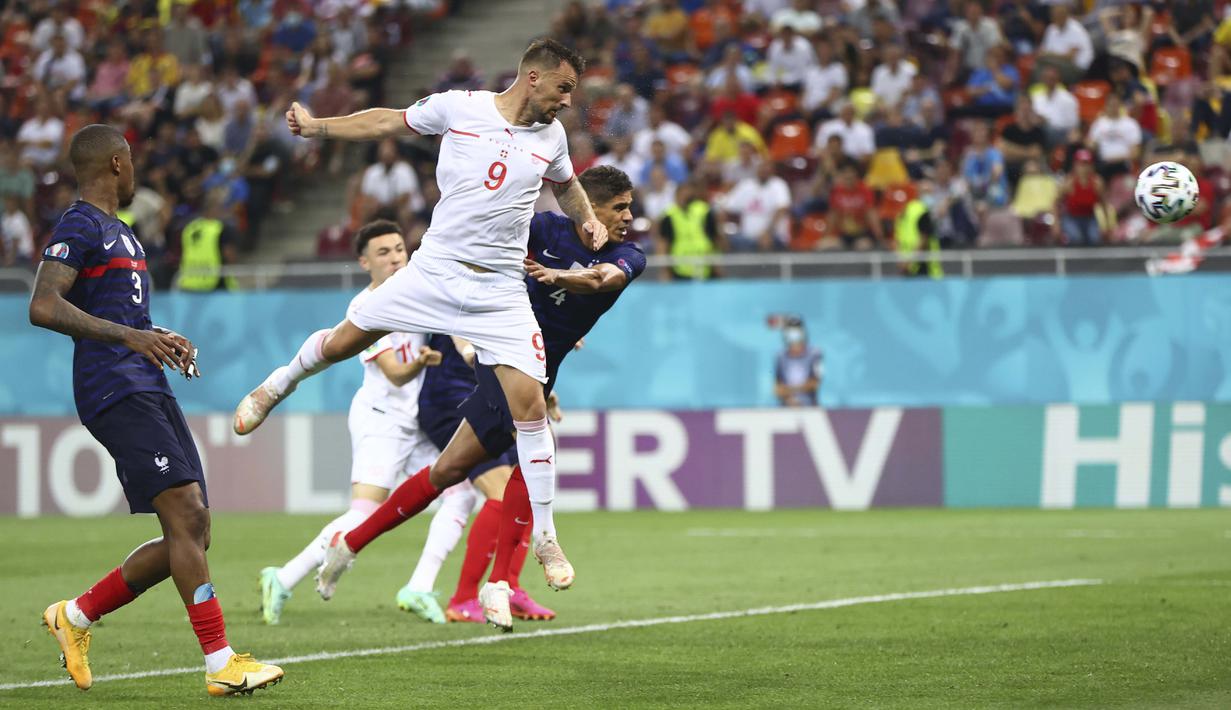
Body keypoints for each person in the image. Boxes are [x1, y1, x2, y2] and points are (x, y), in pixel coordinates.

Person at [233, 39, 606, 592]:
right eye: (564, 87)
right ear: (534, 77)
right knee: (341, 343)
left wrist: (588, 220)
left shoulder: (551, 137)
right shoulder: (460, 107)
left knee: (530, 409)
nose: (568, 101)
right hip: (434, 272)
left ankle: (547, 539)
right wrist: (318, 128)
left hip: (501, 291)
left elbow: (567, 186)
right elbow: (387, 121)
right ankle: (275, 385)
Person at [315, 166, 645, 631]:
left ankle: (349, 545)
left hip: (536, 371)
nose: (629, 216)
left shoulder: (629, 255)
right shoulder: (543, 229)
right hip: (501, 356)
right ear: (588, 208)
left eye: (630, 206)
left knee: (447, 472)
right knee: (534, 455)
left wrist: (555, 278)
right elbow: (480, 248)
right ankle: (505, 580)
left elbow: (600, 280)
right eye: (619, 207)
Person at [29, 124, 282, 696]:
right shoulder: (80, 223)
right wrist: (130, 338)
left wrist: (155, 337)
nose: (137, 167)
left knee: (193, 529)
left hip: (144, 381)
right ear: (117, 164)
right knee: (187, 515)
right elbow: (43, 305)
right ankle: (221, 664)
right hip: (113, 387)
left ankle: (75, 617)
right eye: (133, 159)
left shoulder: (123, 233)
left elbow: (123, 320)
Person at [258, 220, 444, 625]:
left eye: (399, 248)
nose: (396, 257)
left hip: (419, 422)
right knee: (363, 514)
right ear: (364, 262)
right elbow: (396, 372)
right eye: (384, 253)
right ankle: (283, 576)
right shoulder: (364, 309)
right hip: (381, 420)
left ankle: (420, 586)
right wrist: (425, 361)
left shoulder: (422, 292)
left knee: (462, 491)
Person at [396, 335, 557, 625]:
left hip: (489, 394)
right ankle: (464, 598)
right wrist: (470, 352)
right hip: (451, 398)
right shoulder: (474, 292)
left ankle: (509, 586)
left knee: (528, 483)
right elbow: (464, 335)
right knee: (498, 492)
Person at [775, 317, 823, 407]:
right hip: (787, 406)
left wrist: (792, 390)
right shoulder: (780, 356)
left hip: (809, 406)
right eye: (790, 330)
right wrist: (789, 399)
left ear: (803, 332)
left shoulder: (815, 354)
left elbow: (815, 382)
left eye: (796, 329)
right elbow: (778, 388)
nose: (793, 334)